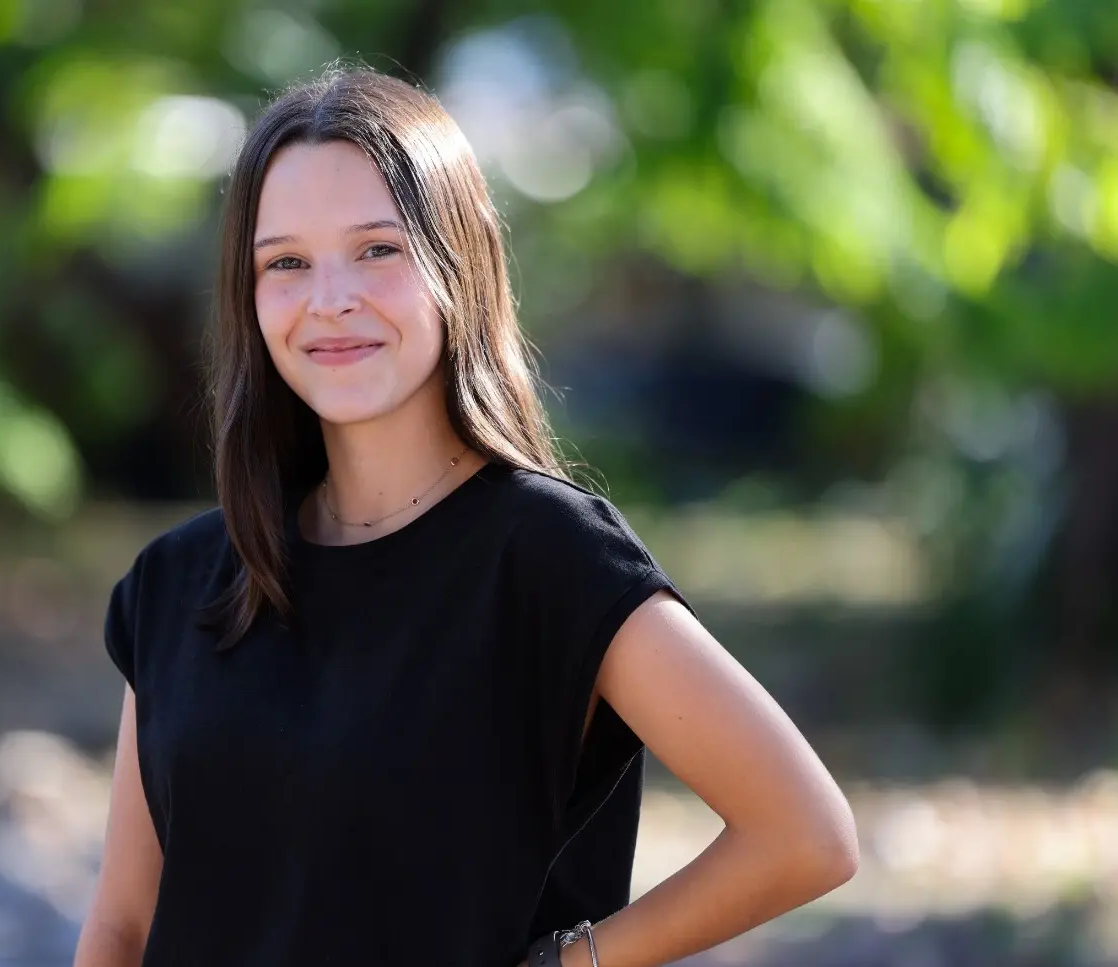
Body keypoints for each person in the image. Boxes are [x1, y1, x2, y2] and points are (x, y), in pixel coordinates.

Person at [73, 66, 858, 967]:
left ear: (458, 262)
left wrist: (573, 964)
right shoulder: (176, 585)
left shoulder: (549, 557)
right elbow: (123, 928)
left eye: (378, 249)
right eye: (285, 261)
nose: (330, 298)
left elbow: (804, 832)